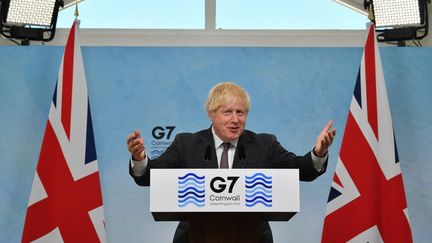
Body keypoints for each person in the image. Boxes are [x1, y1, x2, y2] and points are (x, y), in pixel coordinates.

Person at [127, 82, 336, 243]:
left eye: (240, 112)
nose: (235, 120)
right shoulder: (186, 143)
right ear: (211, 114)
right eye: (227, 112)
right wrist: (140, 159)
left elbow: (301, 170)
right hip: (194, 237)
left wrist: (318, 152)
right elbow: (151, 176)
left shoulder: (264, 144)